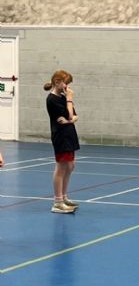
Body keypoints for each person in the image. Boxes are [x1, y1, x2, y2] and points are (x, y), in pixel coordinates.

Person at [44, 70, 80, 213]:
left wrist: (69, 119)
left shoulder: (63, 97)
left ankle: (64, 197)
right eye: (66, 83)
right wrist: (70, 100)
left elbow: (74, 116)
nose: (67, 87)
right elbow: (70, 115)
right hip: (61, 136)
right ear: (57, 81)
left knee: (70, 166)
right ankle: (57, 202)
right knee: (61, 167)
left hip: (70, 134)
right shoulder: (52, 99)